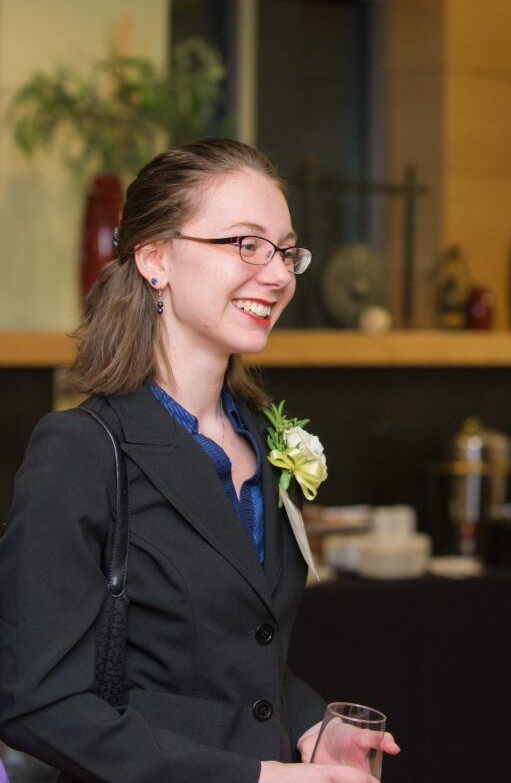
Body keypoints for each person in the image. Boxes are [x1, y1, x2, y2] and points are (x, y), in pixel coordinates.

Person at [0, 139, 397, 782]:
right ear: (155, 259)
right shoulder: (80, 452)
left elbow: (240, 654)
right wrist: (259, 779)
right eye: (245, 243)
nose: (276, 274)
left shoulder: (262, 445)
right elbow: (38, 702)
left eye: (285, 250)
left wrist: (310, 727)